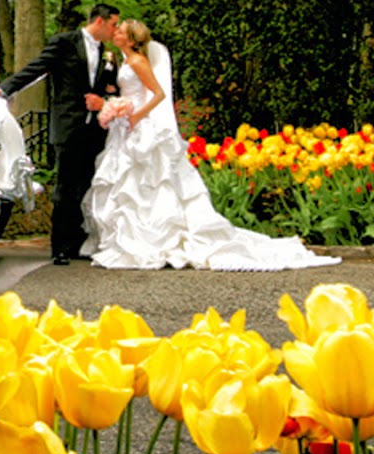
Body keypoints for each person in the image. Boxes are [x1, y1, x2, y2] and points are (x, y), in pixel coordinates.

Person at [81, 19, 340, 271]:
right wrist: (114, 105)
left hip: (139, 126)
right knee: (126, 183)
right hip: (125, 128)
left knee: (147, 183)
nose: (115, 33)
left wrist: (136, 114)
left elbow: (158, 94)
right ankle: (129, 239)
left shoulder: (138, 61)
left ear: (131, 38)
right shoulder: (125, 60)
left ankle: (151, 238)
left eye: (121, 31)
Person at [0, 3, 122, 265]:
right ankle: (60, 247)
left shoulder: (106, 54)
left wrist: (104, 100)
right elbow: (36, 68)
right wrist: (2, 90)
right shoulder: (64, 43)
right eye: (114, 24)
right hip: (68, 125)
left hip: (95, 129)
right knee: (65, 187)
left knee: (87, 185)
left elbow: (111, 88)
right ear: (100, 22)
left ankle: (80, 242)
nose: (115, 30)